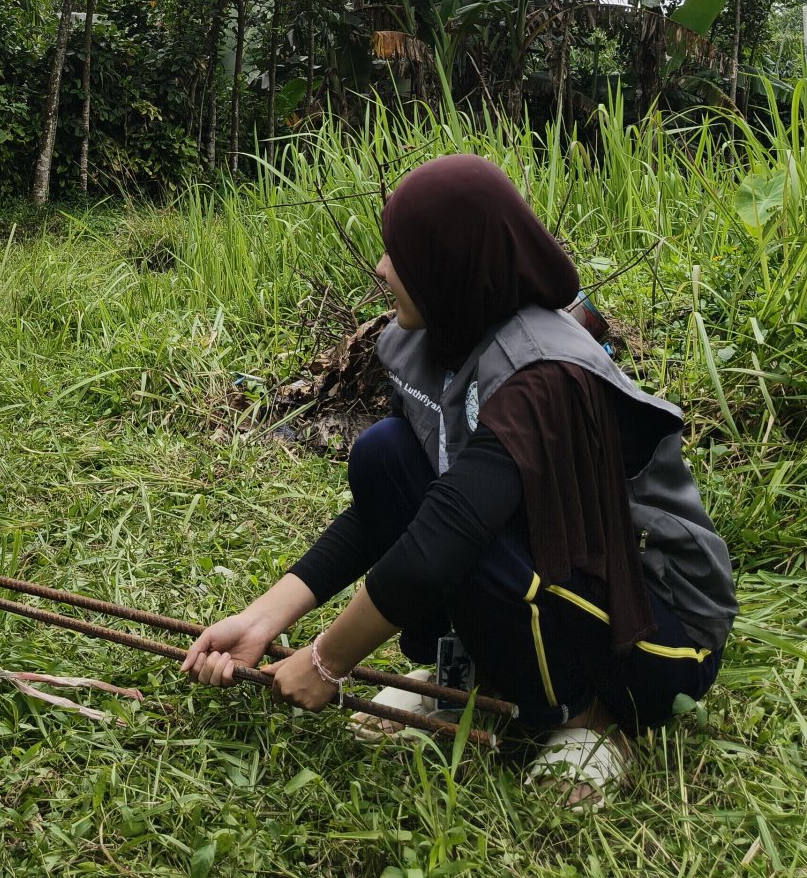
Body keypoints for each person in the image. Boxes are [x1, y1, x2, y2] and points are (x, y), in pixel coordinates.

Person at [182, 154, 736, 807]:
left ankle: (592, 721)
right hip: (563, 577)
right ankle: (481, 680)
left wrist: (327, 661)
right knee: (388, 454)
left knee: (469, 540)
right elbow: (381, 513)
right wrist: (260, 620)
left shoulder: (544, 374)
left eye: (400, 254)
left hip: (654, 632)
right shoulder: (449, 334)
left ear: (451, 264)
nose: (383, 269)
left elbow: (439, 544)